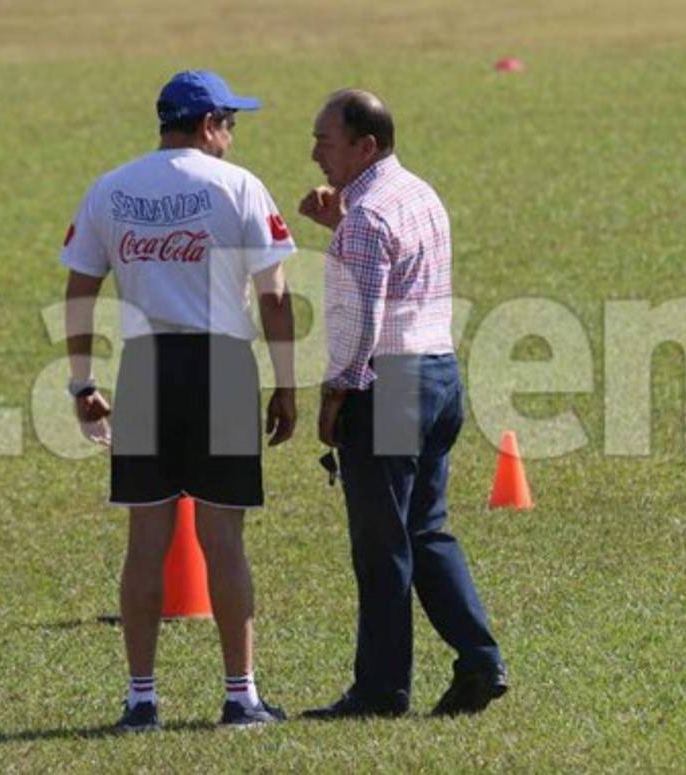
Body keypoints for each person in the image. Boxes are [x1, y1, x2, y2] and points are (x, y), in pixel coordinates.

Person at [59, 70, 297, 731]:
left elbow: (80, 290)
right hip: (222, 366)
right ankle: (240, 695)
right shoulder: (239, 185)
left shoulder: (112, 186)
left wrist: (82, 381)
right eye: (231, 124)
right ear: (209, 122)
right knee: (224, 540)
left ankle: (141, 700)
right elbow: (274, 295)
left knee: (145, 541)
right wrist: (285, 382)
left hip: (144, 367)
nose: (231, 137)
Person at [298, 89, 508, 718]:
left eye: (325, 141)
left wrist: (336, 395)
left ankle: (380, 690)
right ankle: (479, 659)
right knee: (426, 531)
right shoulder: (417, 193)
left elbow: (360, 320)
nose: (314, 154)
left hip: (388, 384)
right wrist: (339, 228)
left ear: (365, 146)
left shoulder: (366, 219)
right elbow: (397, 267)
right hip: (439, 375)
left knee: (382, 545)